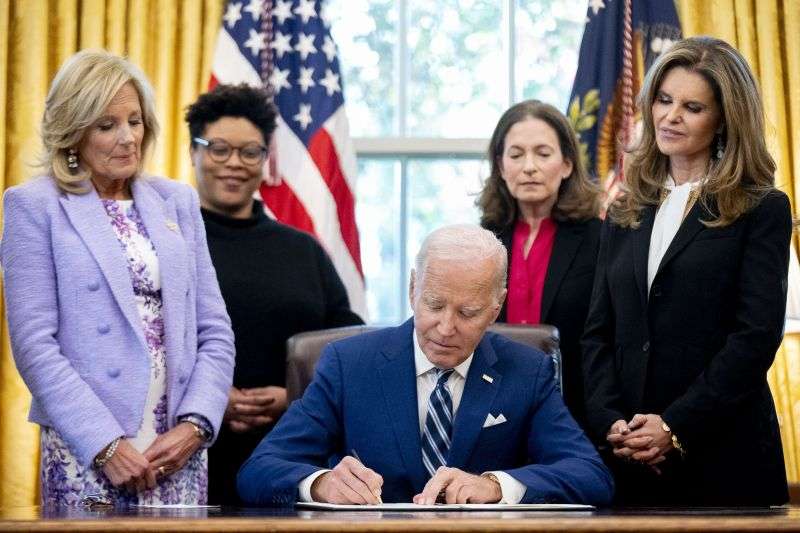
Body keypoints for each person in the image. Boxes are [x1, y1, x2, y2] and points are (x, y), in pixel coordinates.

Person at [0, 50, 235, 506]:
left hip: (177, 448)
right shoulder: (33, 206)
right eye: (106, 125)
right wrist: (105, 443)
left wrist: (197, 424)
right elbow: (34, 344)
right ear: (73, 133)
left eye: (135, 121)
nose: (127, 138)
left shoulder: (178, 202)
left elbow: (215, 331)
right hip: (90, 446)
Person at [237, 224, 614, 506]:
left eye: (468, 313)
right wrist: (319, 483)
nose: (446, 328)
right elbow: (259, 469)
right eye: (434, 304)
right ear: (413, 289)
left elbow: (591, 476)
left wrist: (497, 485)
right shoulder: (349, 364)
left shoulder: (526, 370)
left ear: (495, 308)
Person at [582, 36, 791, 506]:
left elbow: (755, 337)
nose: (670, 116)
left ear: (724, 120)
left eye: (692, 107)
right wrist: (611, 421)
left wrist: (674, 426)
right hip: (629, 460)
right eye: (663, 99)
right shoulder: (623, 211)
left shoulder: (762, 209)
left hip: (724, 460)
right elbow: (597, 333)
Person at [185, 83, 364, 505]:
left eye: (250, 152)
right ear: (194, 151)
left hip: (293, 459)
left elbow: (347, 345)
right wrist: (208, 398)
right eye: (219, 148)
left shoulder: (303, 251)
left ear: (265, 160)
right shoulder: (166, 245)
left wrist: (295, 394)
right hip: (184, 453)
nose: (234, 163)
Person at [477, 100, 601, 427]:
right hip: (494, 409)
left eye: (543, 154)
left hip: (576, 409)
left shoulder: (600, 238)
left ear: (567, 165)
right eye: (516, 155)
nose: (529, 166)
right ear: (501, 168)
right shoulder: (482, 240)